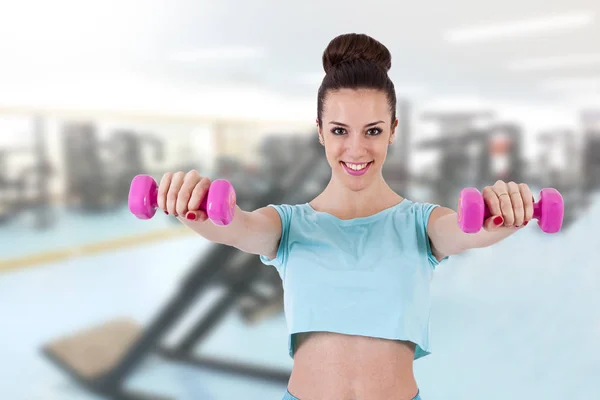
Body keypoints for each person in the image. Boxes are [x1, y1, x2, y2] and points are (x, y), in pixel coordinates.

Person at [157, 33, 534, 400]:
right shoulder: (287, 224)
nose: (356, 149)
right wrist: (194, 206)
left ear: (393, 131)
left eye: (373, 131)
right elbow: (237, 227)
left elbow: (466, 231)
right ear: (320, 131)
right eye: (339, 130)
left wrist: (502, 214)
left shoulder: (422, 223)